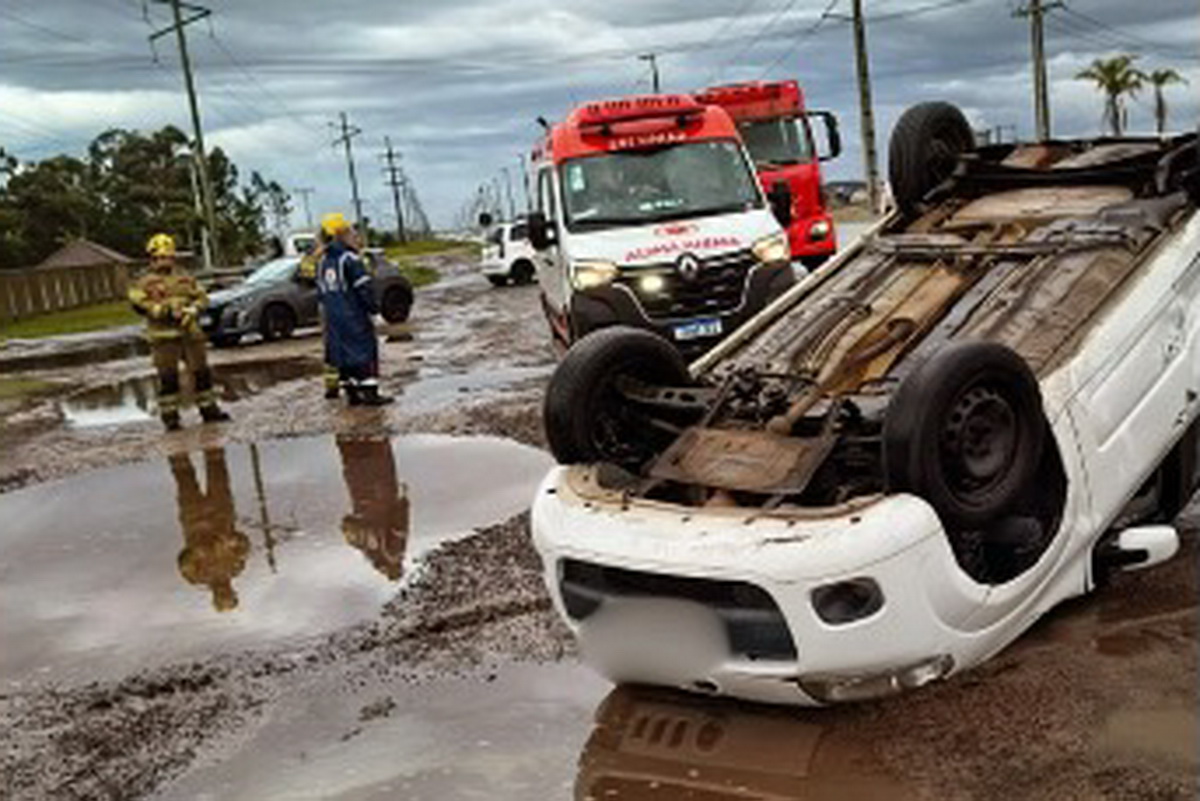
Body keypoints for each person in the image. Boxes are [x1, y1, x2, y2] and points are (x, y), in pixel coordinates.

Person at [128, 233, 231, 431]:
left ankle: (209, 410)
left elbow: (201, 297)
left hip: (190, 334)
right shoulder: (143, 281)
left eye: (167, 256)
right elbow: (138, 302)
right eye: (159, 257)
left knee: (202, 373)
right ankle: (170, 418)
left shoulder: (184, 276)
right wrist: (163, 310)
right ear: (152, 258)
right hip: (163, 337)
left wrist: (194, 308)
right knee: (168, 378)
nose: (163, 261)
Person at [315, 213, 393, 405]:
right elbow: (363, 288)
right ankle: (370, 393)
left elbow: (321, 293)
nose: (353, 234)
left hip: (334, 318)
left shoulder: (323, 262)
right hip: (354, 316)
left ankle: (351, 392)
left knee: (342, 355)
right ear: (341, 233)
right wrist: (374, 309)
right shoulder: (349, 259)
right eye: (349, 230)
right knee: (365, 352)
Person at [171, 449, 249, 613]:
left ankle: (174, 436)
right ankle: (211, 431)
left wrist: (198, 552)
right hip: (221, 513)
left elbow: (183, 560)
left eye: (222, 596)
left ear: (214, 597)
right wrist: (231, 540)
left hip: (194, 519)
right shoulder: (236, 567)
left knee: (183, 474)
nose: (223, 592)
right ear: (233, 592)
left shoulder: (195, 577)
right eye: (227, 595)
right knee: (217, 468)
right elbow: (244, 544)